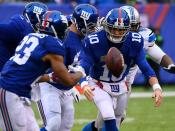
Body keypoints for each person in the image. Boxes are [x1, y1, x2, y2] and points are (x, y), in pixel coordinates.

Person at [83, 5, 175, 131]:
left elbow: (157, 57)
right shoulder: (100, 35)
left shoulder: (139, 38)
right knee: (107, 117)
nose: (118, 32)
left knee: (115, 118)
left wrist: (170, 66)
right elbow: (86, 58)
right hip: (101, 79)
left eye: (131, 27)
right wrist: (82, 81)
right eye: (115, 28)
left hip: (125, 80)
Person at [0, 10, 84, 131]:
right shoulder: (53, 45)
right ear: (58, 29)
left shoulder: (30, 36)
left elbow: (27, 72)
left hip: (17, 90)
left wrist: (50, 77)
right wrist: (82, 71)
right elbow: (68, 80)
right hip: (9, 89)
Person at [37, 4, 99, 131]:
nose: (93, 29)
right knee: (53, 124)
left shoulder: (77, 29)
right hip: (51, 84)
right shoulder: (66, 40)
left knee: (66, 126)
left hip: (66, 86)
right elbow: (59, 68)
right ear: (80, 23)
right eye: (90, 26)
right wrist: (80, 83)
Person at [0, 2, 48, 71]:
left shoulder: (23, 24)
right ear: (34, 17)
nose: (44, 23)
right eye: (42, 19)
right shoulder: (22, 27)